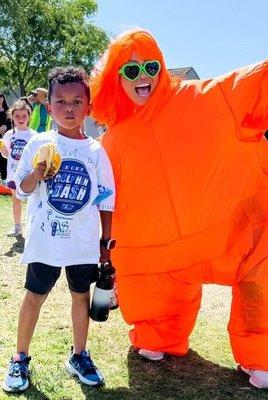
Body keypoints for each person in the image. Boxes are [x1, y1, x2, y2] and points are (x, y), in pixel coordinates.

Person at [90, 29, 268, 390]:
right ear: (115, 78)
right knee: (152, 278)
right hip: (164, 243)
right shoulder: (113, 140)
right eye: (131, 70)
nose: (144, 77)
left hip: (232, 223)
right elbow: (101, 192)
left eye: (151, 66)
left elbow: (247, 86)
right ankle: (158, 334)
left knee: (262, 280)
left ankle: (260, 355)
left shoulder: (198, 97)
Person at [2, 67, 115, 392]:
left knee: (81, 297)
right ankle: (20, 357)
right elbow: (21, 189)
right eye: (61, 101)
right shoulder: (40, 142)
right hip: (45, 241)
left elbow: (107, 200)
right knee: (34, 297)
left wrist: (106, 242)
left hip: (82, 244)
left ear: (88, 108)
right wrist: (37, 174)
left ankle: (79, 355)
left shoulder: (95, 151)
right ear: (48, 107)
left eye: (77, 101)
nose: (69, 108)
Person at [0, 100, 36, 236]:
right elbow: (6, 155)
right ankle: (17, 226)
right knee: (16, 200)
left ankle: (32, 227)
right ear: (12, 117)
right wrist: (2, 147)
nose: (21, 119)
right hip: (13, 174)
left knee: (33, 200)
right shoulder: (9, 135)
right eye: (17, 116)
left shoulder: (34, 136)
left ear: (29, 116)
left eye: (24, 116)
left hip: (30, 175)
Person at [0, 91, 12, 185]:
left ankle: (4, 178)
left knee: (4, 157)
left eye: (1, 96)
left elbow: (10, 123)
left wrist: (5, 126)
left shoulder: (8, 111)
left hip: (4, 138)